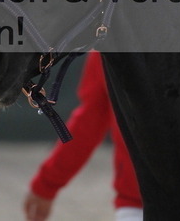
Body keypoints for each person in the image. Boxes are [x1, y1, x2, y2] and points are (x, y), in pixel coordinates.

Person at [24, 51, 143, 221]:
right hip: (137, 203)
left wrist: (47, 185)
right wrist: (47, 184)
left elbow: (89, 123)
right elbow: (89, 124)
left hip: (153, 200)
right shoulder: (108, 51)